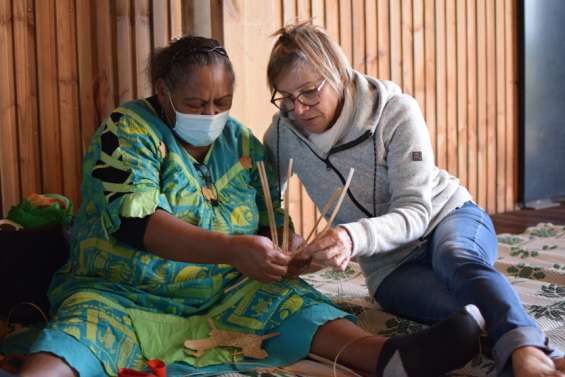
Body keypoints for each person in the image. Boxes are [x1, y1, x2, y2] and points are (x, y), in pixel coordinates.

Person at [14, 35, 482, 377]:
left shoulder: (239, 141)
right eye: (196, 103)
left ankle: (389, 358)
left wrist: (290, 251)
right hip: (122, 291)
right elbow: (136, 224)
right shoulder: (126, 131)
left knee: (294, 302)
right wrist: (232, 249)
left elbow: (270, 216)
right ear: (163, 91)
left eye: (223, 101)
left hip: (225, 293)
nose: (212, 114)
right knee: (79, 333)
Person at [264, 22, 565, 377]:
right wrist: (286, 236)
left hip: (447, 217)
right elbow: (265, 193)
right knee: (464, 310)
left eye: (309, 93)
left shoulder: (394, 110)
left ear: (338, 73)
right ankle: (532, 351)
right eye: (286, 98)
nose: (298, 109)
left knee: (456, 257)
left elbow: (417, 212)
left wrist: (350, 236)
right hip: (387, 264)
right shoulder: (285, 132)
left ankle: (528, 350)